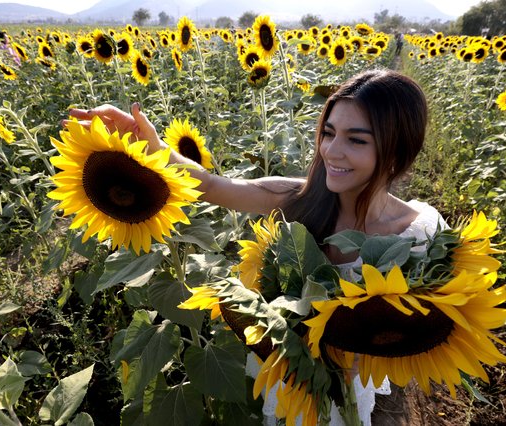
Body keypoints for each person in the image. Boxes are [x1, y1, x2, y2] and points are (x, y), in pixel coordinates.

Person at [66, 68, 447, 424]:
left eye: (356, 140)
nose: (332, 151)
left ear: (397, 150)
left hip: (352, 394)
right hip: (290, 383)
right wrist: (147, 146)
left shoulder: (416, 236)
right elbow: (213, 186)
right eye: (328, 133)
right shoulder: (297, 200)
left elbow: (425, 331)